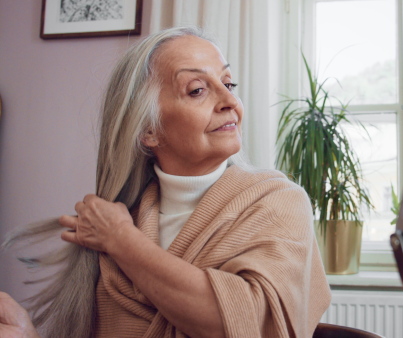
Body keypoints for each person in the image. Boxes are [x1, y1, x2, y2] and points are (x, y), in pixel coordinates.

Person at [0, 26, 331, 337]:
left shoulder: (279, 201)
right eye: (197, 90)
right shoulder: (116, 219)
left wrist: (122, 240)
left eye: (228, 84)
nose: (230, 101)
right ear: (149, 131)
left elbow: (242, 322)